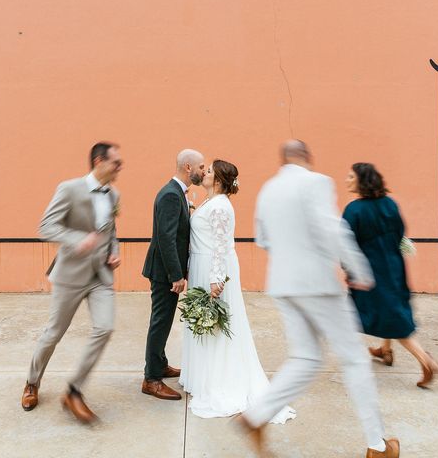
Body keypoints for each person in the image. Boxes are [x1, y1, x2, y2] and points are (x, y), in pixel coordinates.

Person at [237, 140, 400, 458]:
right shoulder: (316, 182)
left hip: (283, 284)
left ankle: (255, 416)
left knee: (305, 359)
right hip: (317, 284)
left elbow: (264, 239)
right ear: (307, 157)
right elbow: (332, 229)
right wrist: (358, 269)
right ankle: (377, 444)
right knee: (354, 358)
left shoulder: (268, 190)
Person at [179, 159, 296, 423]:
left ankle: (219, 381)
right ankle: (203, 376)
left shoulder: (220, 206)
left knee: (217, 326)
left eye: (208, 171)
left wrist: (216, 279)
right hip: (200, 264)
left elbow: (221, 244)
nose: (204, 173)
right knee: (204, 325)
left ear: (218, 180)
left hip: (212, 267)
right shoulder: (211, 201)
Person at [21, 142, 123, 424]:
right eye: (116, 162)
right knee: (54, 332)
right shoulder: (69, 188)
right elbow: (47, 226)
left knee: (105, 327)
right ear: (99, 161)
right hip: (70, 275)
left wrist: (115, 250)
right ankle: (32, 382)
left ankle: (74, 391)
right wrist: (80, 240)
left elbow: (111, 230)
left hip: (101, 276)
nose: (120, 167)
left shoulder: (114, 195)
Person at [343, 162, 438, 388]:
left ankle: (426, 361)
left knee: (392, 319)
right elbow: (400, 233)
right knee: (391, 309)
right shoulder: (390, 204)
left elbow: (346, 244)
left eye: (351, 177)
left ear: (362, 180)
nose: (347, 180)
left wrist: (349, 271)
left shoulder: (354, 210)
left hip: (369, 272)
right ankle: (385, 350)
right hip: (393, 266)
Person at [141, 149, 206, 400]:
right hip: (163, 272)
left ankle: (159, 364)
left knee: (164, 320)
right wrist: (176, 276)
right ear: (188, 167)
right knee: (160, 321)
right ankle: (151, 379)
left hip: (166, 269)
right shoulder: (170, 194)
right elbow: (166, 239)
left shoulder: (176, 192)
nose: (203, 171)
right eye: (201, 167)